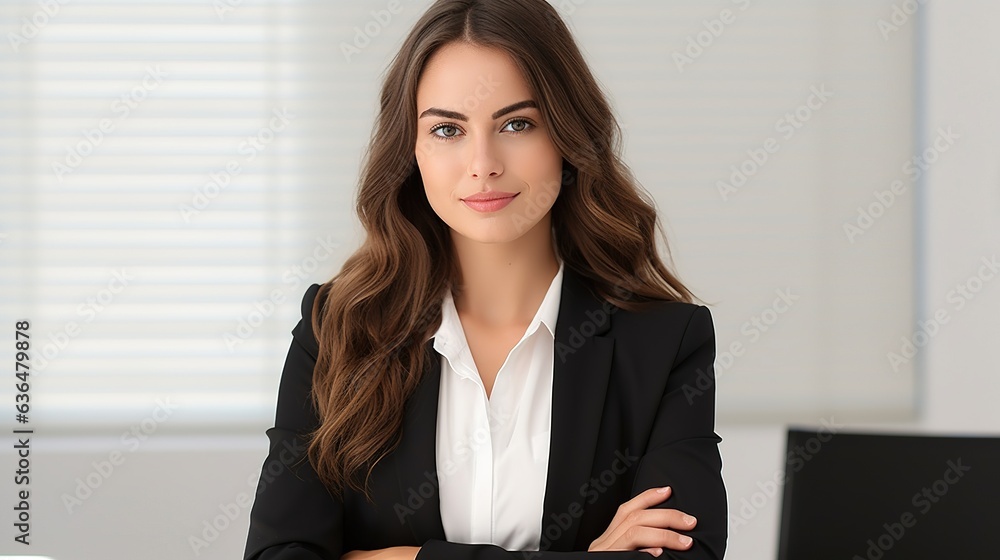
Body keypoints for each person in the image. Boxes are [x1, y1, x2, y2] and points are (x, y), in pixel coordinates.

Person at [243, 1, 727, 559]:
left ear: (568, 140)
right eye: (447, 129)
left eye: (516, 124)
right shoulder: (338, 329)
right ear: (413, 151)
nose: (483, 162)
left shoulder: (664, 342)